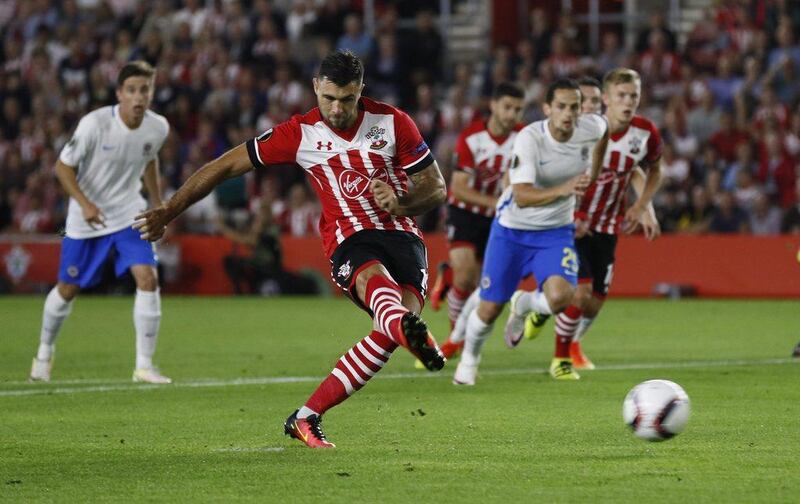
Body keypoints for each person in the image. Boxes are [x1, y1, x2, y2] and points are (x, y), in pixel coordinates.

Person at [133, 51, 447, 448]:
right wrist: (169, 209)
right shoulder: (300, 133)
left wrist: (401, 203)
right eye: (328, 98)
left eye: (347, 99)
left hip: (403, 235)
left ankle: (306, 417)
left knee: (389, 332)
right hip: (350, 238)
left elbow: (435, 188)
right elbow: (225, 165)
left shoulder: (392, 122)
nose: (336, 109)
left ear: (361, 91)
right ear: (316, 87)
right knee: (386, 302)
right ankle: (404, 326)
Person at [450, 78, 608, 386]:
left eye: (574, 107)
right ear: (547, 108)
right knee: (490, 307)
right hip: (513, 230)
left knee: (563, 297)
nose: (568, 113)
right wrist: (565, 188)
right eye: (561, 106)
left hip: (555, 231)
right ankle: (469, 360)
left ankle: (524, 304)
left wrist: (594, 171)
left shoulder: (592, 127)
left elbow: (603, 135)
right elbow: (521, 194)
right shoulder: (529, 138)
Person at [512, 68, 663, 376]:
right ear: (606, 100)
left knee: (593, 304)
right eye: (621, 95)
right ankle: (561, 360)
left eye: (634, 95)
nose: (628, 101)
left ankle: (539, 309)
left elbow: (643, 170)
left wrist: (644, 207)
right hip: (568, 223)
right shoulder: (585, 132)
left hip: (607, 226)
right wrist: (572, 214)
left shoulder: (644, 133)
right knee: (578, 293)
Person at [29, 61, 171, 384]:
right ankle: (44, 352)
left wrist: (158, 204)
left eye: (144, 90)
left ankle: (144, 366)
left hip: (129, 214)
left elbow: (150, 159)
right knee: (68, 288)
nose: (138, 97)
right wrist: (85, 204)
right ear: (119, 93)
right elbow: (62, 168)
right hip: (86, 220)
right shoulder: (94, 125)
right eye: (132, 90)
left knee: (148, 278)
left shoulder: (158, 127)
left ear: (151, 92)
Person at [427, 82, 525, 359]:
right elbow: (458, 187)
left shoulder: (524, 137)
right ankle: (455, 338)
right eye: (507, 107)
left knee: (489, 285)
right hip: (466, 213)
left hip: (503, 219)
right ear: (493, 106)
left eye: (517, 109)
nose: (512, 114)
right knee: (467, 276)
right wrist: (497, 203)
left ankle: (448, 278)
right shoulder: (471, 137)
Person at [217, 200, 319, 296]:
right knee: (231, 262)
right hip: (257, 265)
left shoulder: (271, 230)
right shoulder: (258, 228)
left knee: (295, 284)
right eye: (259, 213)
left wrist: (223, 228)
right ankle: (240, 291)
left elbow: (249, 241)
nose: (259, 217)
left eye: (263, 213)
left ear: (269, 215)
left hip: (270, 268)